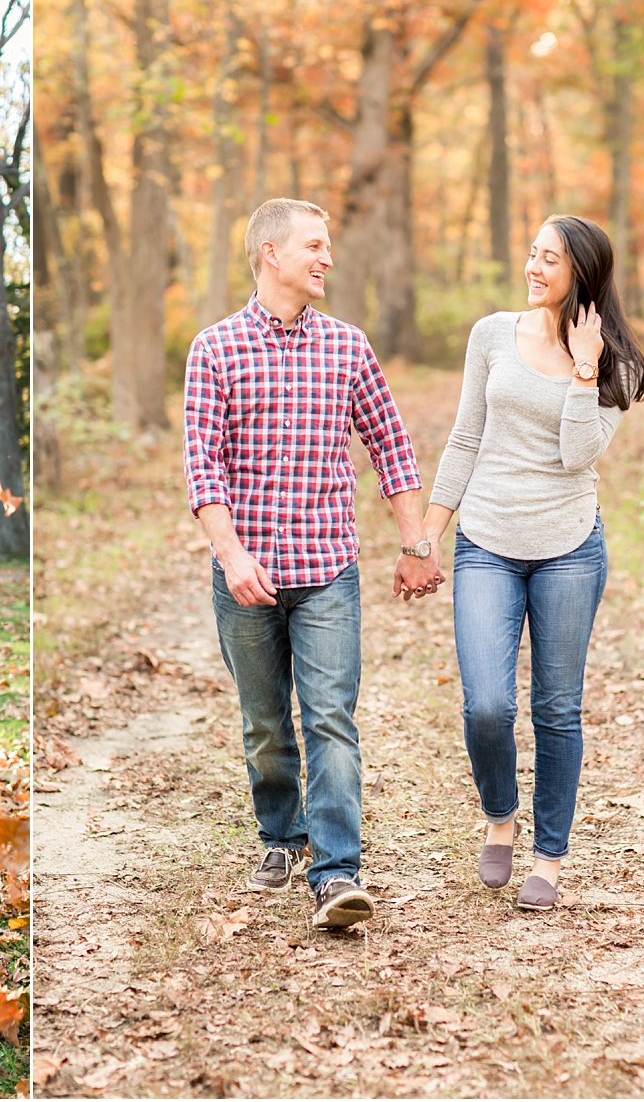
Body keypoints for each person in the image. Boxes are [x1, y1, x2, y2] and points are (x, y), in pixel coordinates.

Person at [183, 198, 443, 931]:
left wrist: (415, 540)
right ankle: (280, 834)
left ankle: (336, 872)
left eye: (327, 247)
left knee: (330, 718)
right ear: (271, 252)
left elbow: (391, 444)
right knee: (266, 724)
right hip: (248, 577)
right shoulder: (216, 349)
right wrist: (231, 555)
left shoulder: (348, 347)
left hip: (328, 568)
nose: (327, 258)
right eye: (314, 246)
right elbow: (203, 469)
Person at [423, 214, 644, 911]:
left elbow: (577, 454)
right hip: (487, 539)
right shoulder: (492, 334)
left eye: (549, 259)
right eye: (531, 253)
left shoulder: (618, 364)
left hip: (569, 548)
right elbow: (466, 435)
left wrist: (584, 368)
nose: (534, 267)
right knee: (487, 703)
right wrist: (428, 532)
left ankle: (548, 857)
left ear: (581, 272)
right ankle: (500, 814)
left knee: (556, 708)